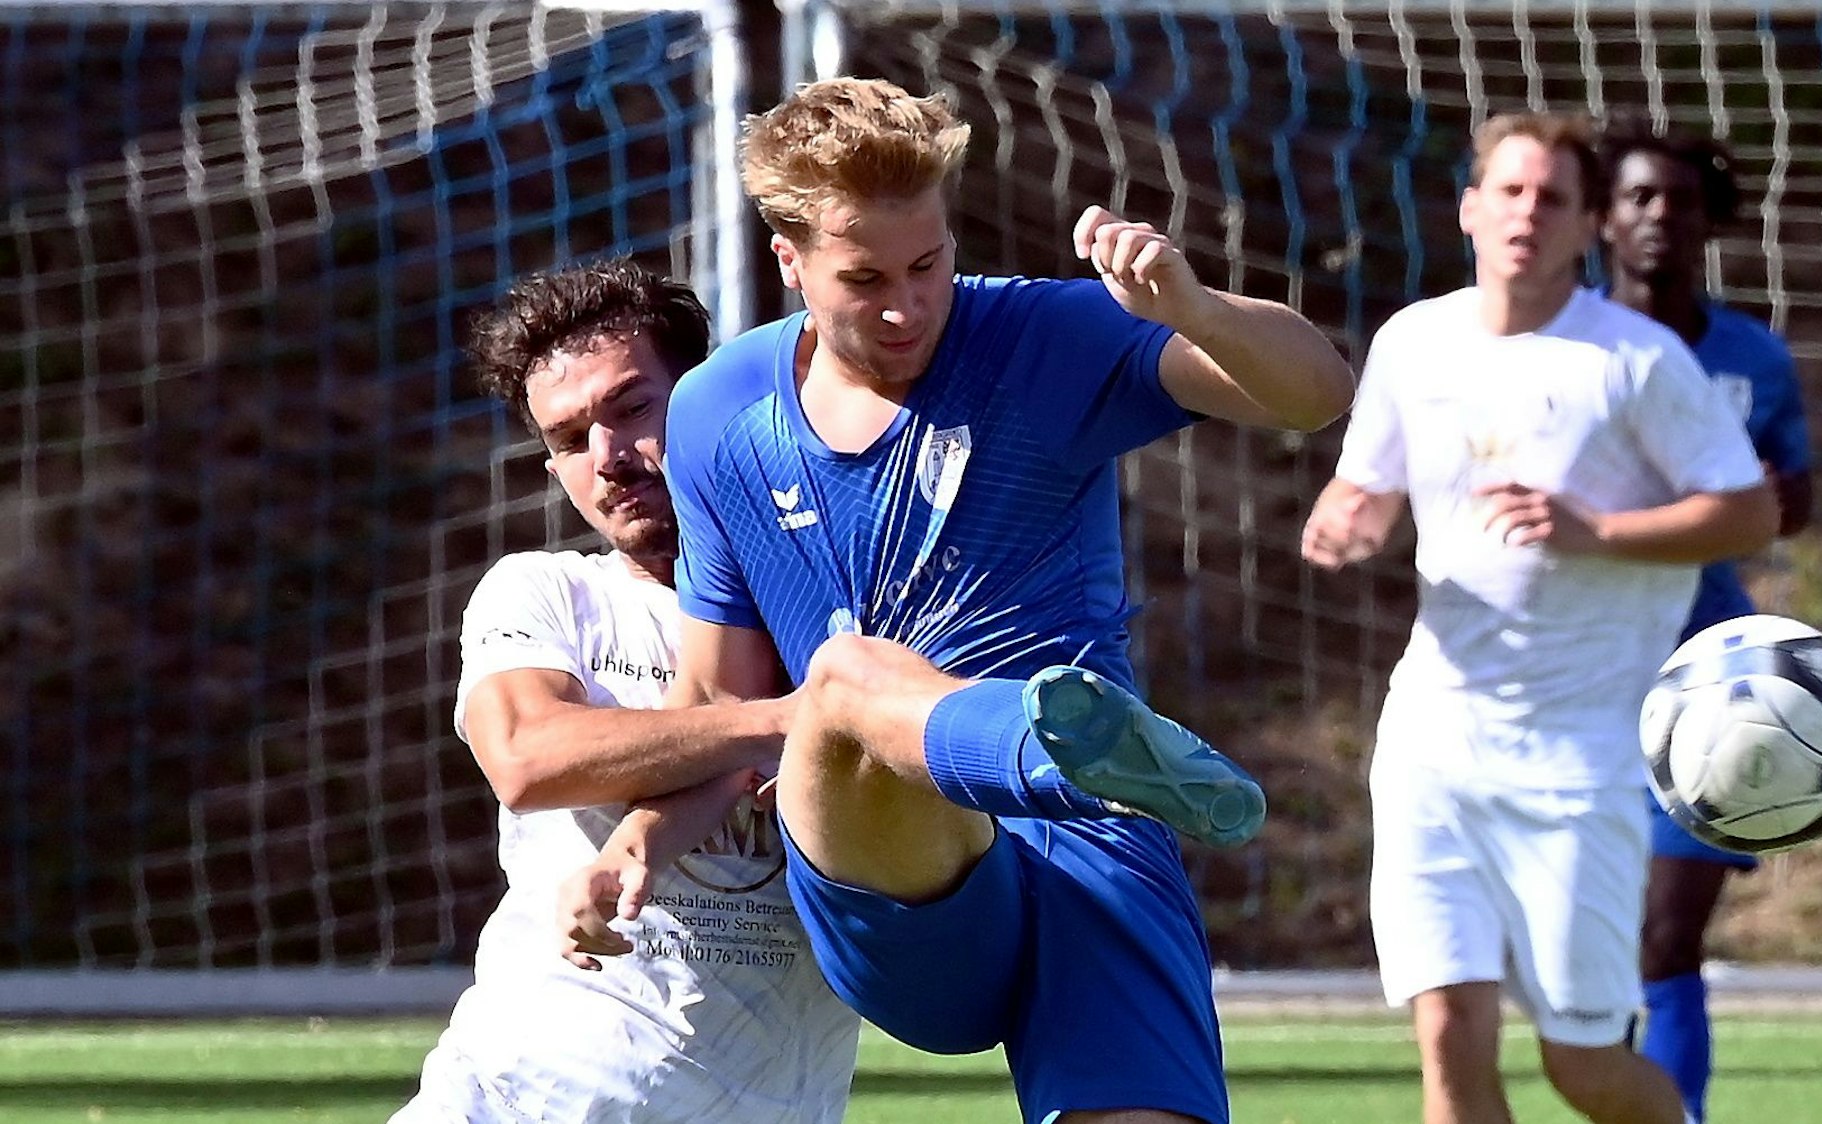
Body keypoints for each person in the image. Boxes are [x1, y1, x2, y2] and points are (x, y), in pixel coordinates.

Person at [568, 76, 1353, 1124]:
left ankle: (1076, 755)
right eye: (865, 277)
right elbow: (713, 699)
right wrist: (635, 843)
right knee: (846, 677)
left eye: (927, 264)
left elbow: (1316, 394)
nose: (905, 305)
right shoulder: (720, 410)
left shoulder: (1041, 336)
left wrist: (1194, 308)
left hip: (1092, 839)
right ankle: (1044, 738)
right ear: (789, 262)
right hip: (892, 871)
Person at [1299, 112, 1779, 1124]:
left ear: (1587, 227)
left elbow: (1747, 509)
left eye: (1552, 198)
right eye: (1508, 191)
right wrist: (1349, 518)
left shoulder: (1636, 361)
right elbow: (1370, 489)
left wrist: (1597, 530)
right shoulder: (1410, 342)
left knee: (1583, 1064)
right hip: (1432, 739)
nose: (1526, 213)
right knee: (1448, 1035)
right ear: (1470, 208)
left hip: (1577, 761)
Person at [393, 260, 861, 1124]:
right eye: (570, 440)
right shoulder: (543, 592)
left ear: (703, 400)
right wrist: (789, 721)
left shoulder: (831, 607)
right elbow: (529, 758)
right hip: (507, 1101)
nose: (608, 458)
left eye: (631, 408)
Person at [1598, 119, 1814, 1124]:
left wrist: (1770, 495)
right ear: (1603, 216)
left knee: (1665, 933)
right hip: (1573, 670)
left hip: (1707, 676)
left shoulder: (1753, 358)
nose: (1657, 217)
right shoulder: (1559, 346)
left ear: (1706, 222)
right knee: (1587, 947)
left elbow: (1796, 496)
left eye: (1677, 200)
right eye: (1637, 197)